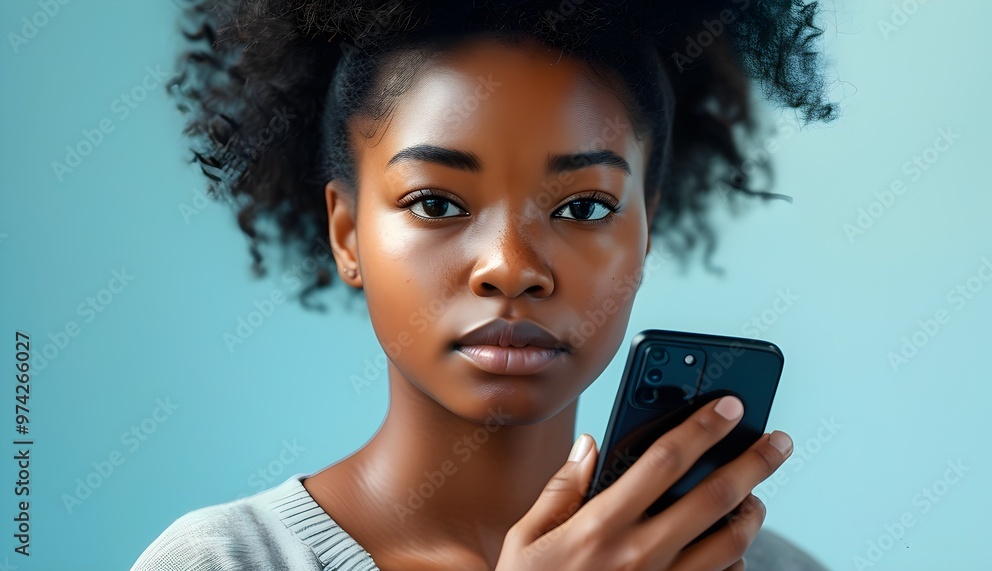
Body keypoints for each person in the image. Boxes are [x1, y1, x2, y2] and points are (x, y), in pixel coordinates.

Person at [133, 1, 838, 569]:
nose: (510, 265)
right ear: (347, 234)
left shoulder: (757, 564)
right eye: (437, 203)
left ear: (644, 231)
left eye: (584, 207)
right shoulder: (222, 560)